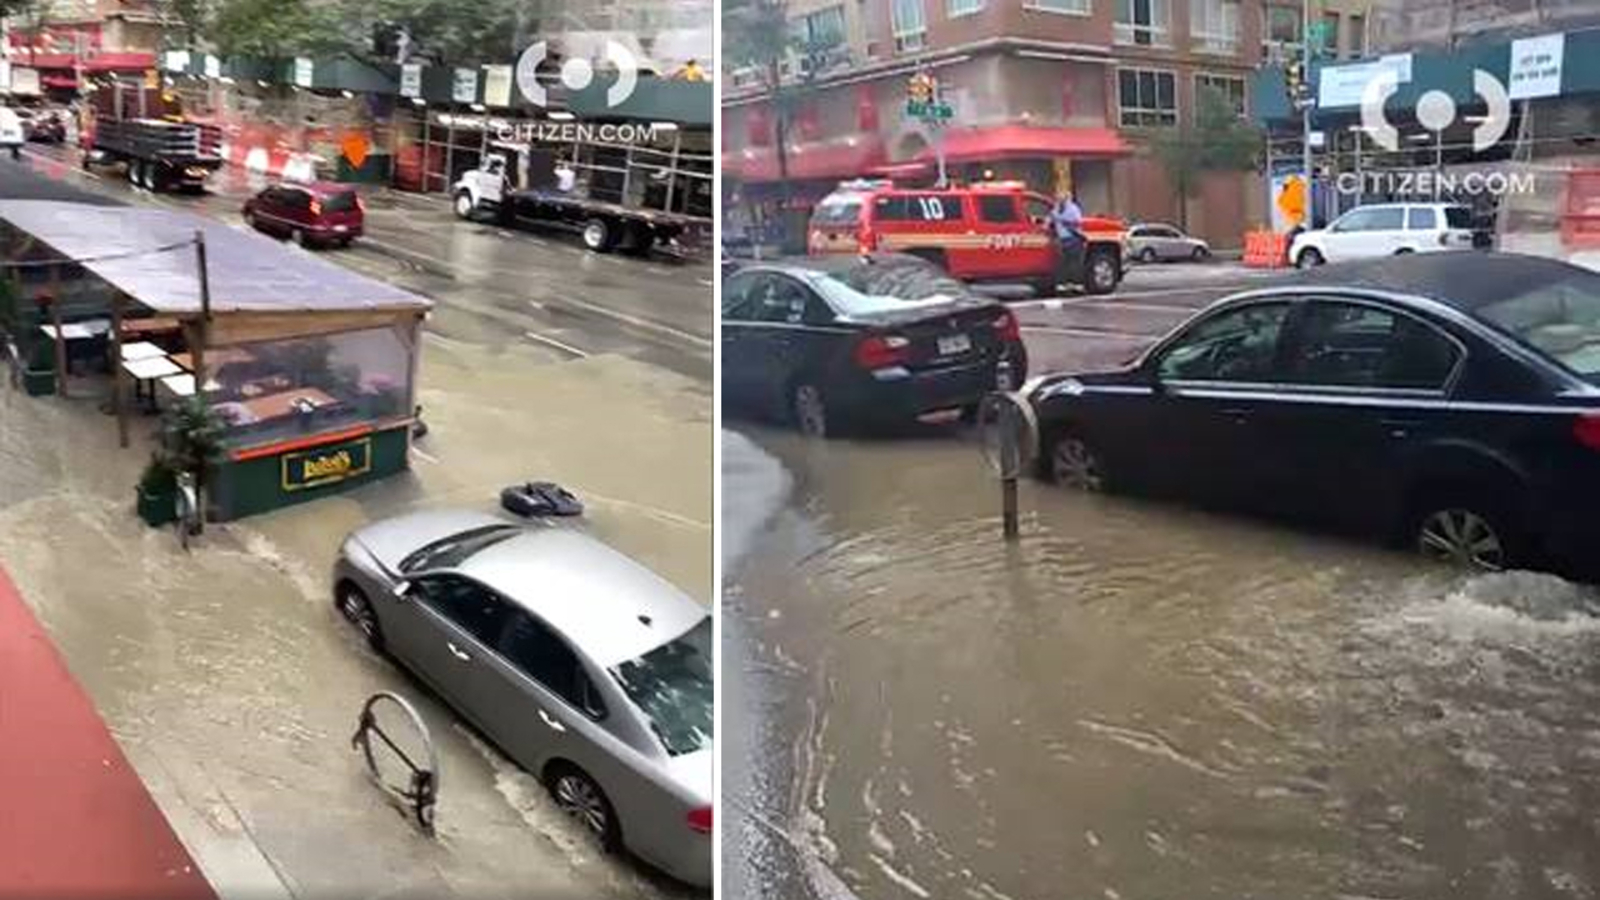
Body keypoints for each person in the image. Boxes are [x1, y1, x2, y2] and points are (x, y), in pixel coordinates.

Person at [1049, 191, 1085, 294]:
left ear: (1067, 198)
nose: (1059, 200)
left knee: (1075, 263)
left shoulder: (1073, 209)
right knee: (1062, 264)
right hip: (1062, 240)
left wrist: (1062, 220)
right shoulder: (1055, 210)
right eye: (1058, 198)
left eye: (1061, 198)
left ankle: (1077, 286)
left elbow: (1078, 222)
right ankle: (1063, 287)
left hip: (1073, 239)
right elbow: (1050, 222)